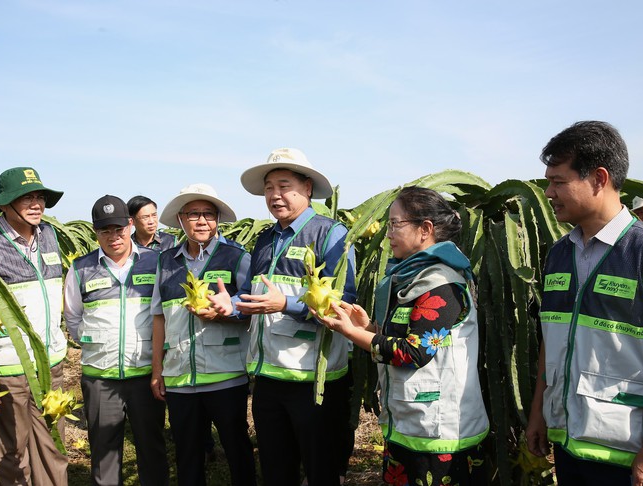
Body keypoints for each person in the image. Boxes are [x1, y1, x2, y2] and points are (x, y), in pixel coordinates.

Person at [313, 186, 489, 485]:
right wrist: (368, 329)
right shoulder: (413, 277)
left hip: (440, 435)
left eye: (395, 224)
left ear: (425, 230)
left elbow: (414, 353)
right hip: (410, 425)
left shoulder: (441, 284)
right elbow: (406, 336)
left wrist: (351, 333)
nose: (388, 234)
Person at [526, 121, 643, 485]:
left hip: (630, 453)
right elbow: (551, 338)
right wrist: (539, 412)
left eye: (558, 181)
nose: (548, 192)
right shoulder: (559, 253)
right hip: (568, 444)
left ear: (598, 179)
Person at [209, 148, 356, 486]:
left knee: (321, 471)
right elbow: (252, 295)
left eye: (284, 186)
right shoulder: (265, 239)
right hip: (268, 378)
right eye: (269, 188)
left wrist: (286, 304)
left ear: (307, 188)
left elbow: (344, 302)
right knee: (276, 471)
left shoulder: (330, 235)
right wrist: (230, 304)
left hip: (314, 382)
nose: (275, 195)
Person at [0, 167, 68, 485]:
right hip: (7, 372)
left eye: (40, 197)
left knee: (54, 451)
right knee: (11, 456)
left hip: (51, 367)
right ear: (4, 204)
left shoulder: (50, 236)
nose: (36, 204)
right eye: (26, 198)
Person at [150, 183, 256, 486]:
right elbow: (159, 317)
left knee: (237, 449)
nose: (201, 221)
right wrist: (157, 370)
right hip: (179, 376)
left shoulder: (236, 257)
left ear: (217, 219)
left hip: (226, 373)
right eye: (193, 214)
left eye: (208, 214)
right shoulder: (166, 261)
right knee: (187, 455)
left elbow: (253, 307)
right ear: (180, 219)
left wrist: (224, 313)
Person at [63, 195, 169, 486]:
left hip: (146, 375)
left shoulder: (156, 262)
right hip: (100, 377)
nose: (113, 237)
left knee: (152, 448)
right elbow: (73, 317)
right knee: (104, 452)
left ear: (130, 225)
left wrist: (159, 366)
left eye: (119, 229)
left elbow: (165, 315)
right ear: (95, 232)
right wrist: (97, 345)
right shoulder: (80, 268)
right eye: (105, 230)